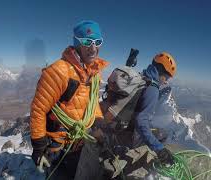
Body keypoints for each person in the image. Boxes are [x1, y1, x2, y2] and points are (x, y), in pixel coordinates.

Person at [75, 52, 177, 180]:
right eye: (167, 77)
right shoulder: (153, 89)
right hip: (111, 133)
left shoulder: (140, 77)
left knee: (86, 166)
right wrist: (159, 149)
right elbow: (141, 122)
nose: (166, 81)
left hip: (100, 123)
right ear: (162, 72)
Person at [30, 20, 109, 179]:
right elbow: (38, 109)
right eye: (87, 42)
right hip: (58, 143)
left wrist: (98, 122)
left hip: (78, 141)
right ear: (77, 43)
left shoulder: (94, 73)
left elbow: (91, 102)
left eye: (97, 42)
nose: (93, 48)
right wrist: (39, 147)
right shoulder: (59, 71)